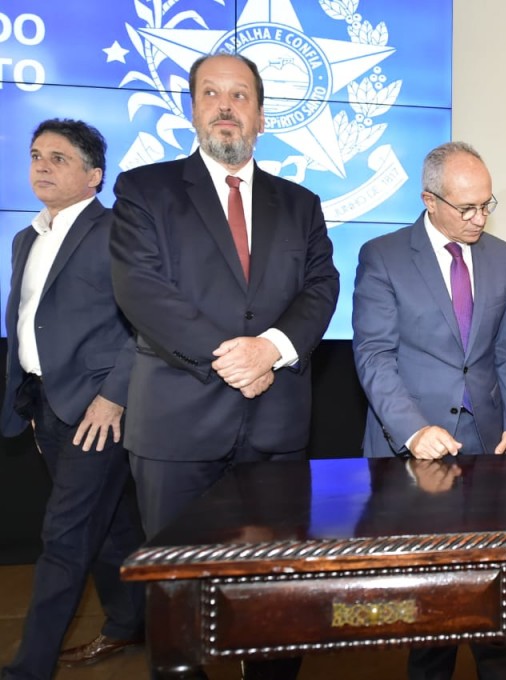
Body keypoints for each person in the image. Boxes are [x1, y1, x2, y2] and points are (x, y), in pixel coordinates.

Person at [109, 53, 339, 680]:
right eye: (211, 93)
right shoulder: (144, 190)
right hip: (177, 431)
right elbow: (142, 291)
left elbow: (320, 287)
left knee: (277, 596)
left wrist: (272, 349)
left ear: (261, 115)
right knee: (180, 601)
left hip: (276, 430)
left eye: (240, 95)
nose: (226, 106)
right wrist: (236, 358)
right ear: (191, 108)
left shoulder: (301, 203)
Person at [352, 141, 506, 679]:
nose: (480, 219)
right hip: (417, 448)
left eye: (487, 205)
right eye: (466, 208)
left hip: (488, 444)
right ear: (430, 200)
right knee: (433, 595)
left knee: (496, 586)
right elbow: (374, 356)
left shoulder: (500, 256)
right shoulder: (383, 256)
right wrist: (412, 430)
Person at [1, 119, 145, 679]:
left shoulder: (118, 232)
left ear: (94, 176)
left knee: (63, 538)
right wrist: (29, 402)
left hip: (98, 411)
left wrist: (113, 398)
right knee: (109, 526)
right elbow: (25, 326)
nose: (42, 165)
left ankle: (27, 669)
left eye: (59, 158)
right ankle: (131, 622)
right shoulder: (26, 236)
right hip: (48, 406)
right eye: (36, 155)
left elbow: (145, 326)